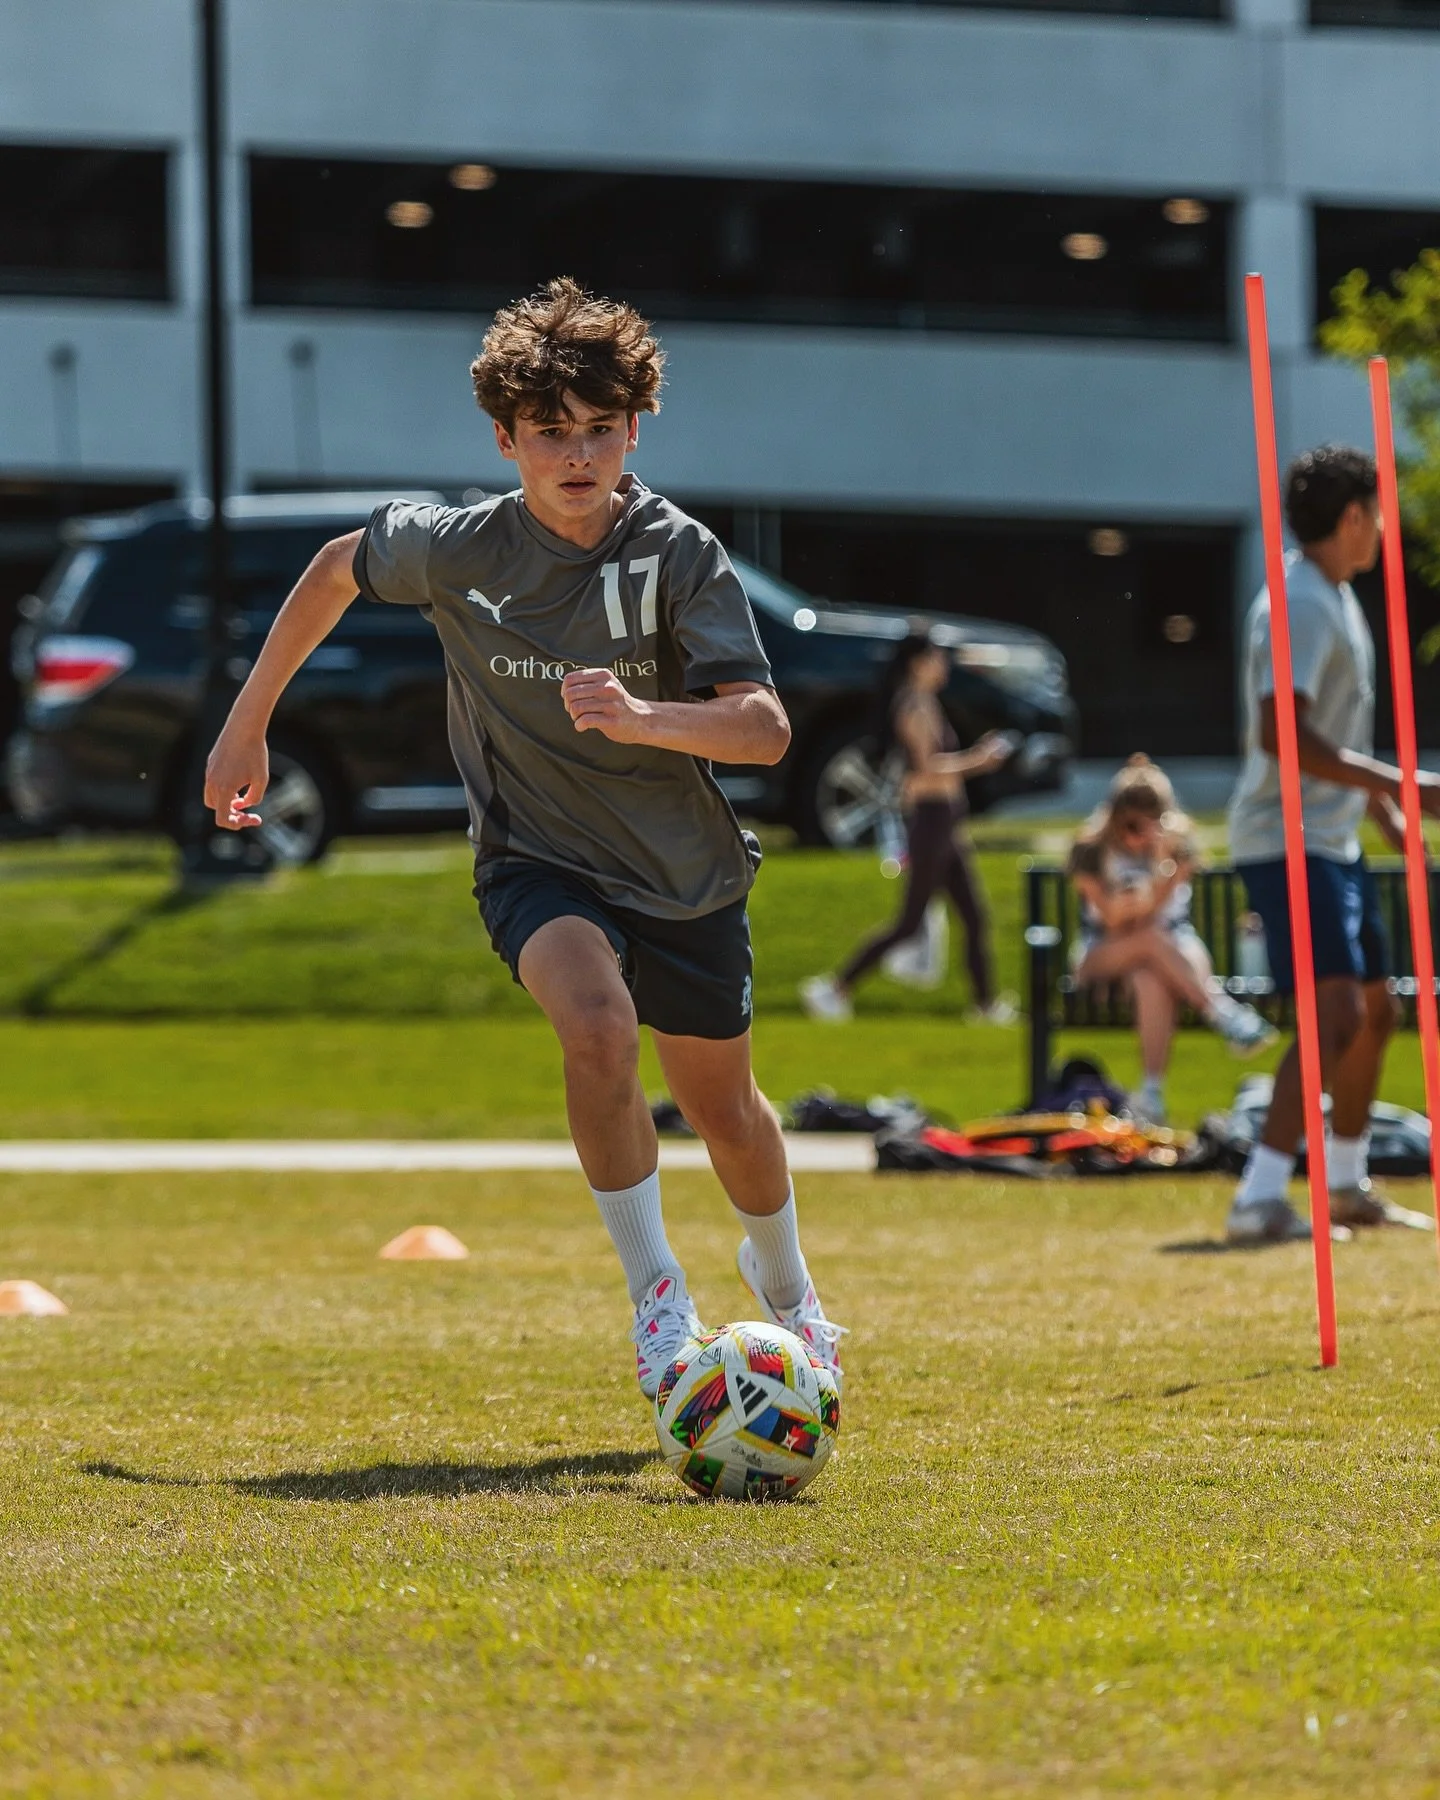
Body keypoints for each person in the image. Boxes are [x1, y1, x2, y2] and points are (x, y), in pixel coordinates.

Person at [203, 277, 844, 1393]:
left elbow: (768, 730)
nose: (578, 454)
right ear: (506, 439)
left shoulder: (679, 554)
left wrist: (650, 718)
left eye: (601, 429)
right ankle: (658, 1302)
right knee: (595, 1029)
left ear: (636, 428)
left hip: (682, 874)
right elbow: (333, 570)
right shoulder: (458, 548)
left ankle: (789, 1292)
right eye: (552, 434)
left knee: (727, 1115)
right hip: (537, 862)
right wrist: (245, 726)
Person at [1226, 443, 1439, 1244]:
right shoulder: (1303, 601)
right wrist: (1401, 784)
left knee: (1377, 1012)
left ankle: (1346, 1183)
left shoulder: (1335, 595)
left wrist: (1379, 808)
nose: (1383, 528)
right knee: (1334, 1017)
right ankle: (1260, 1195)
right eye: (1378, 513)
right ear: (1353, 516)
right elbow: (1286, 732)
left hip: (1333, 837)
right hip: (1286, 837)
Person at [800, 629, 1014, 1022]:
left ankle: (985, 1005)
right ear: (918, 662)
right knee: (909, 922)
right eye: (937, 657)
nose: (943, 665)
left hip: (946, 821)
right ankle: (834, 987)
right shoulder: (913, 706)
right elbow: (928, 767)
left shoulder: (927, 702)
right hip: (931, 820)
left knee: (973, 915)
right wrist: (980, 760)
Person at [1067, 755, 1276, 1124]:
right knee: (1149, 940)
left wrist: (1162, 867)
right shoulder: (1090, 850)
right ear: (1115, 817)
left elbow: (1162, 918)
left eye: (1151, 825)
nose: (1140, 836)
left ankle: (1150, 1094)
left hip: (1165, 953)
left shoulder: (1178, 850)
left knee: (1150, 975)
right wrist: (1157, 882)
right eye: (1132, 825)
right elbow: (1115, 921)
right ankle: (1222, 1013)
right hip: (1103, 952)